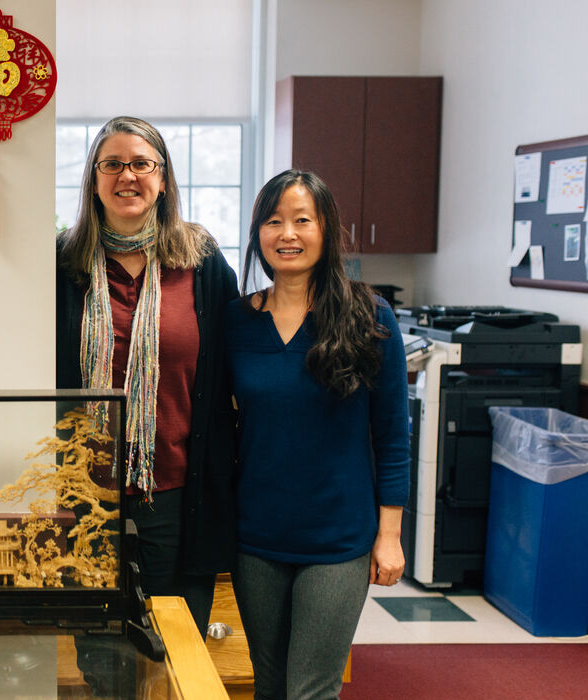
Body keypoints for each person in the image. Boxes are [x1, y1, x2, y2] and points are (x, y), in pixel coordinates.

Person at [224, 169, 409, 699]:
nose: (288, 234)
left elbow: (393, 432)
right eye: (274, 221)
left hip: (337, 538)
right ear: (258, 232)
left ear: (325, 230)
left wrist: (389, 535)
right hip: (256, 536)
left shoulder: (368, 316)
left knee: (311, 690)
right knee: (269, 684)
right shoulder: (236, 320)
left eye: (302, 220)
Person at [55, 116, 239, 639]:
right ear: (93, 179)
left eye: (141, 164)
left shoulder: (201, 264)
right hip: (81, 497)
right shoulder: (62, 264)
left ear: (163, 179)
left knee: (171, 644)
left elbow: (235, 368)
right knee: (96, 650)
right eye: (112, 164)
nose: (127, 176)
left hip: (176, 492)